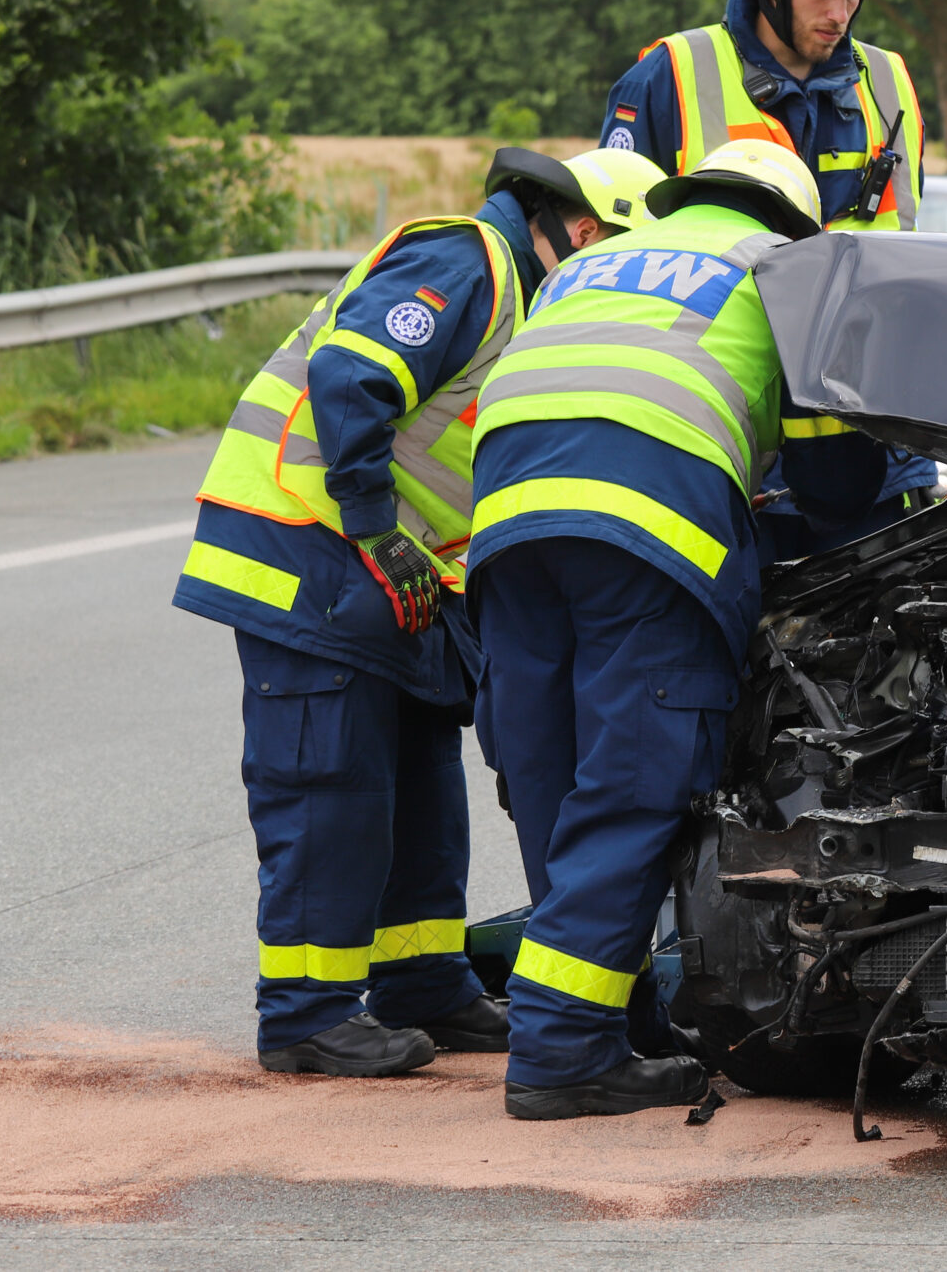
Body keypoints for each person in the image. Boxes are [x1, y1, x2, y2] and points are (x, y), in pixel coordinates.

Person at [172, 147, 664, 1076]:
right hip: (310, 537)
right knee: (330, 781)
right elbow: (353, 375)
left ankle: (423, 980)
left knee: (420, 775)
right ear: (587, 233)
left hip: (388, 565)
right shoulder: (468, 259)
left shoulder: (525, 299)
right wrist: (373, 524)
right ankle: (306, 1015)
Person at [464, 141, 901, 1120]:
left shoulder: (587, 263)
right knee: (630, 784)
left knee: (553, 775)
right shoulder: (785, 273)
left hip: (506, 526)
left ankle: (604, 1020)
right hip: (646, 531)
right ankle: (565, 1052)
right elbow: (836, 490)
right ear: (792, 221)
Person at [599, 0, 933, 552]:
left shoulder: (890, 82)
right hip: (721, 446)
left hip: (873, 455)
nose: (841, 14)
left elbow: (908, 257)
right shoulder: (669, 77)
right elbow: (613, 269)